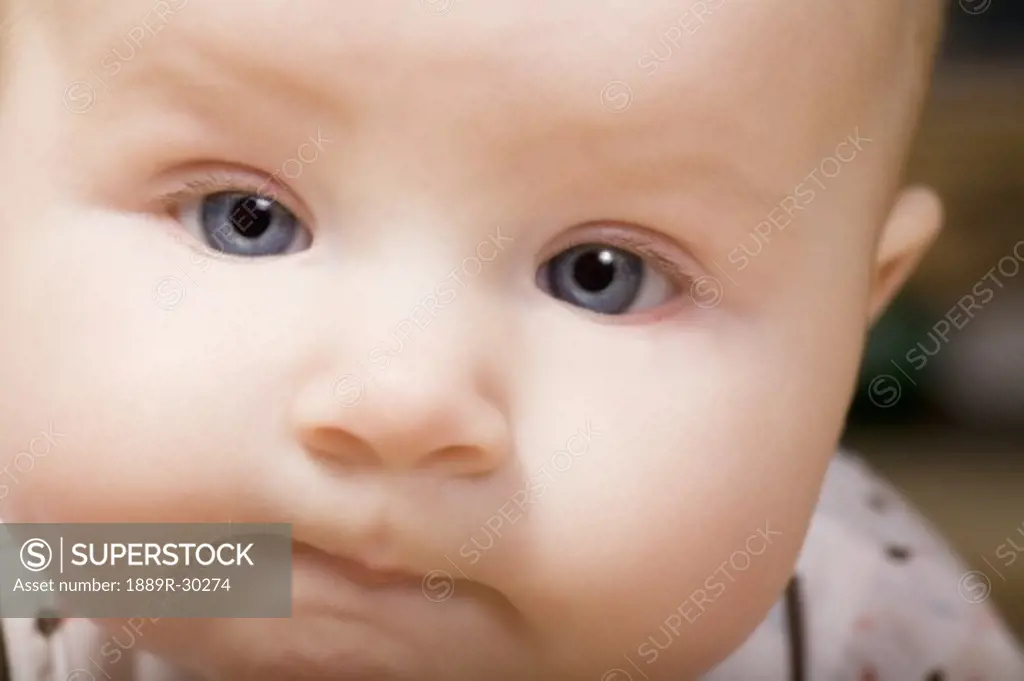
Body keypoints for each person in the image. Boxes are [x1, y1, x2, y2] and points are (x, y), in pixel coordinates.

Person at [0, 0, 1021, 678]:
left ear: (855, 315)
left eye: (602, 278)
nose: (401, 404)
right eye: (244, 217)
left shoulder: (866, 632)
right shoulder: (89, 568)